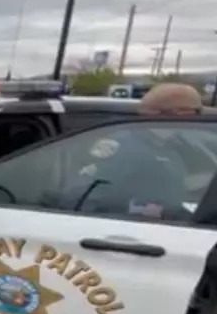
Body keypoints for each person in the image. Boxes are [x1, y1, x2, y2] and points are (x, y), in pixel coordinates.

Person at [69, 82, 203, 218]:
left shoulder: (172, 146)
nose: (198, 117)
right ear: (181, 113)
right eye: (196, 111)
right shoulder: (124, 148)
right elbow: (87, 197)